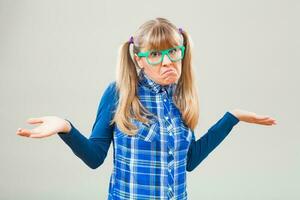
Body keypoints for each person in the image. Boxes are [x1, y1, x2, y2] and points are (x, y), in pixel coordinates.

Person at [16, 17, 277, 200]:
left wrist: (231, 118)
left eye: (174, 52)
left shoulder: (181, 96)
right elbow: (95, 158)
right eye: (155, 55)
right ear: (139, 59)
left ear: (183, 53)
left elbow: (190, 161)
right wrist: (66, 127)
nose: (167, 62)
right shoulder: (119, 93)